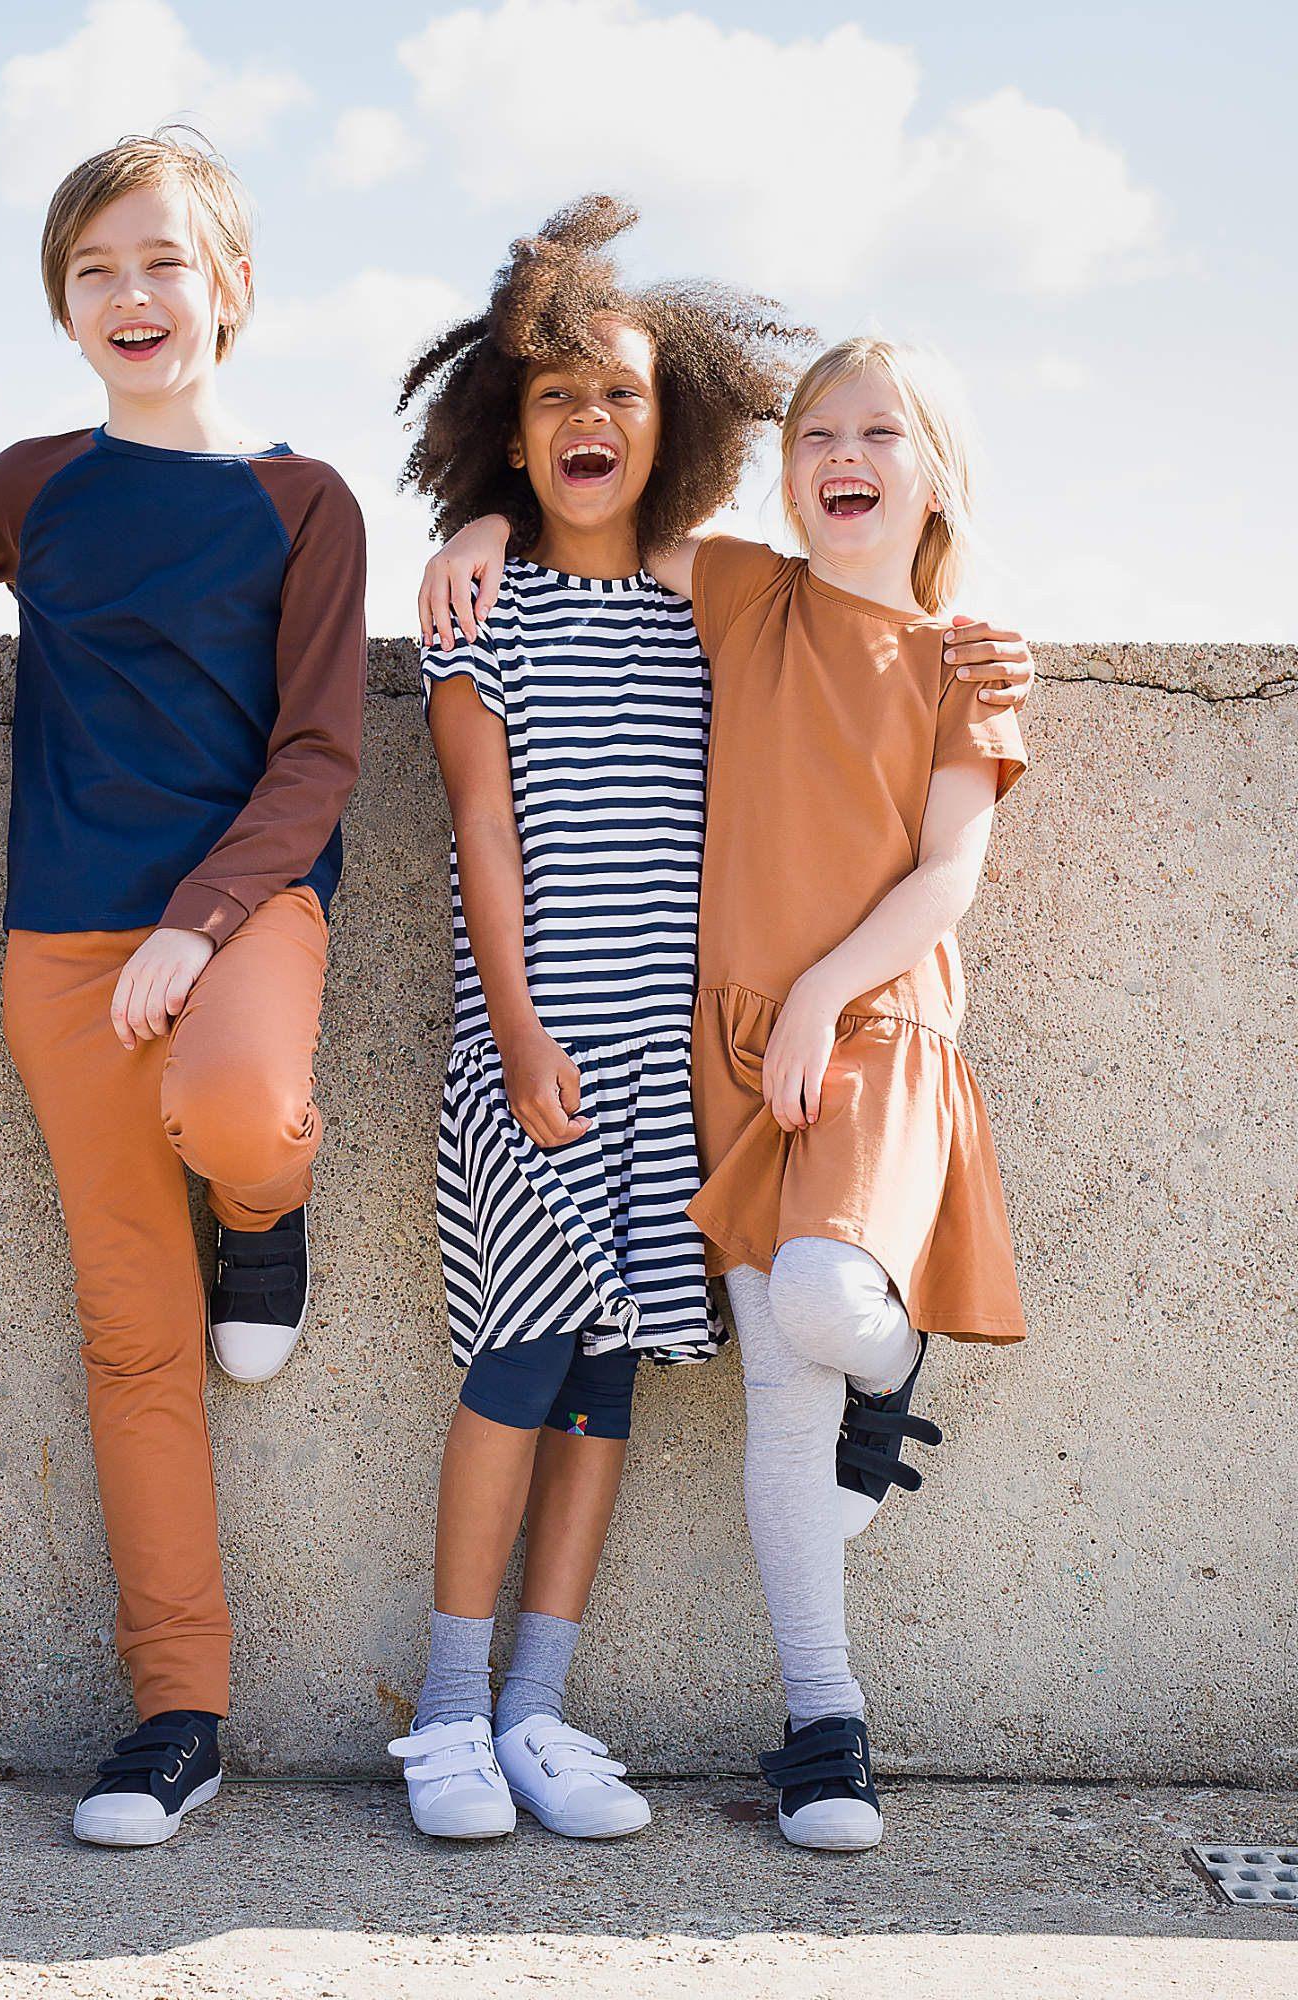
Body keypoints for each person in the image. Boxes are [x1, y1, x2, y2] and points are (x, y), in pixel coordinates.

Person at [420, 332, 1033, 1851]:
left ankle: (888, 1384)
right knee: (669, 1377)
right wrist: (476, 516)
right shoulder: (741, 591)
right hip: (695, 1048)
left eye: (882, 433)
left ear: (937, 468)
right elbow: (599, 519)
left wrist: (826, 989)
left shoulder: (961, 655)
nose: (845, 455)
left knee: (789, 1329)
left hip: (856, 1034)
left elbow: (950, 866)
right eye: (818, 429)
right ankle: (785, 1724)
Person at [0, 128, 365, 1846]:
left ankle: (271, 1203)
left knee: (235, 1109)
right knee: (136, 1345)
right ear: (66, 309)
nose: (132, 295)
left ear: (230, 287)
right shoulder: (39, 479)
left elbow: (315, 757)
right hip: (61, 947)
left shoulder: (307, 502)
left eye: (163, 262)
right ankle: (182, 1712)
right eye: (96, 272)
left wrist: (203, 920)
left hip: (247, 916)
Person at [385, 198, 810, 1840]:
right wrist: (516, 1029)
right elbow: (482, 837)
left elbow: (865, 593)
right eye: (555, 395)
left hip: (669, 1070)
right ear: (507, 426)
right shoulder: (475, 620)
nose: (590, 419)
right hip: (534, 1053)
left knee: (610, 1374)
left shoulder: (708, 609)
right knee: (519, 1352)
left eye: (622, 392)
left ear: (672, 420)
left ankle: (538, 1715)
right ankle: (443, 1716)